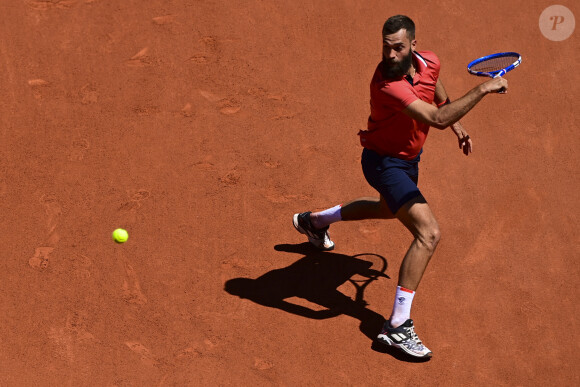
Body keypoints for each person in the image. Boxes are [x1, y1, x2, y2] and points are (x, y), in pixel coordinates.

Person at [292, 15, 508, 359]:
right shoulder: (386, 84)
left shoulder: (430, 61)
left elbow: (435, 86)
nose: (390, 55)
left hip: (408, 161)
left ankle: (314, 221)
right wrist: (482, 89)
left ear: (413, 47)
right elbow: (437, 119)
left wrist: (459, 124)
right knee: (428, 233)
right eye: (385, 47)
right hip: (383, 162)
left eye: (398, 48)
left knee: (386, 210)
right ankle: (396, 326)